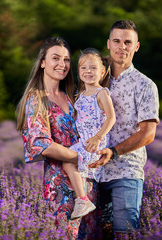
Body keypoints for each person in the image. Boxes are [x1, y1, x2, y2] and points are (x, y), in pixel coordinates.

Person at [16, 37, 100, 240]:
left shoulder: (72, 95)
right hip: (61, 186)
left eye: (66, 60)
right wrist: (80, 159)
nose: (62, 64)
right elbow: (40, 144)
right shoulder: (37, 99)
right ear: (43, 62)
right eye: (55, 58)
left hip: (87, 183)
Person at [89, 20, 160, 238]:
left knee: (124, 234)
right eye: (117, 41)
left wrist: (114, 152)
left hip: (126, 172)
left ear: (136, 46)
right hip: (93, 172)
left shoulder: (145, 85)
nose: (122, 46)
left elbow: (148, 133)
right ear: (108, 44)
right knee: (93, 234)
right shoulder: (94, 79)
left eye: (128, 42)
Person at [62, 48, 116, 220]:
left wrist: (98, 136)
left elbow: (111, 117)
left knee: (69, 163)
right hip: (83, 141)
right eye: (83, 68)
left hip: (95, 143)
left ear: (102, 72)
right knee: (67, 162)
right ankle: (80, 192)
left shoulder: (101, 93)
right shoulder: (82, 94)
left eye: (93, 68)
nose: (88, 72)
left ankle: (82, 199)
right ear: (79, 72)